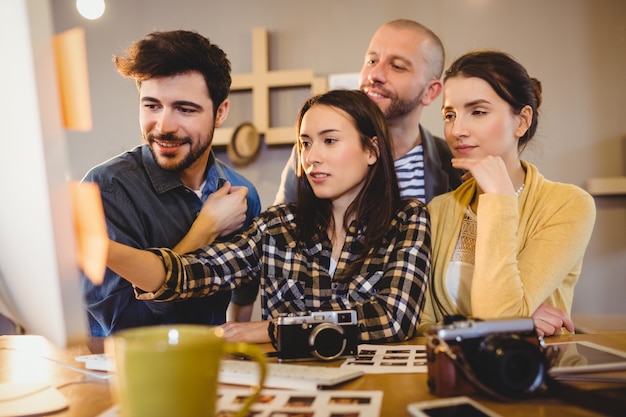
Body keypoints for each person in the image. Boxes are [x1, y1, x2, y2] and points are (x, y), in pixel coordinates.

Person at [105, 89, 431, 343]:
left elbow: (392, 317)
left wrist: (275, 329)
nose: (311, 156)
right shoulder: (279, 226)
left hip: (379, 388)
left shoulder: (407, 220)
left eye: (329, 141)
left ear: (371, 150)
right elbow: (193, 272)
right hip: (291, 392)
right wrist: (104, 249)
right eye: (305, 143)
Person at [81, 30, 261, 336]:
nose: (164, 126)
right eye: (151, 106)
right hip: (126, 378)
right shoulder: (105, 189)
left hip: (212, 372)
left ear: (220, 112)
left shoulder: (242, 194)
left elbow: (245, 291)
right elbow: (122, 329)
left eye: (185, 109)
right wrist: (205, 230)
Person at [419, 50, 596, 336]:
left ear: (522, 121)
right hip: (452, 374)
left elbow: (498, 318)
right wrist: (521, 316)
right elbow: (421, 324)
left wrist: (499, 201)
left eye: (477, 111)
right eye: (449, 114)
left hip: (532, 373)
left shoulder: (568, 205)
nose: (457, 129)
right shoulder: (437, 210)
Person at [274, 19, 462, 206]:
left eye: (397, 66)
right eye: (372, 61)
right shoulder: (314, 154)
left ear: (431, 91)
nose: (375, 75)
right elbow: (282, 228)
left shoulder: (454, 164)